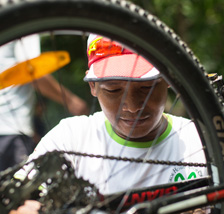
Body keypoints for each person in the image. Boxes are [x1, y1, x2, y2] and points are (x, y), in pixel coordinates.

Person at [10, 34, 207, 214]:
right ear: (93, 87)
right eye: (113, 90)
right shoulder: (69, 139)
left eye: (146, 88)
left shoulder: (202, 142)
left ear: (168, 80)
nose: (131, 106)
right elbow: (16, 202)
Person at [0, 34, 89, 171]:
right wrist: (71, 101)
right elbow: (31, 69)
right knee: (21, 188)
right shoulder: (25, 20)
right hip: (11, 130)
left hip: (9, 128)